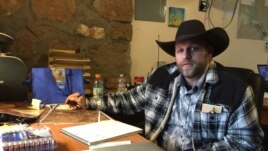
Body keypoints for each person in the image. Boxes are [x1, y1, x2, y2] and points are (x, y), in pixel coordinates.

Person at [65, 19, 264, 150]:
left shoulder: (235, 89)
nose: (185, 57)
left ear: (209, 52)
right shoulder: (162, 77)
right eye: (180, 50)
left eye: (193, 49)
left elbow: (248, 143)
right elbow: (128, 100)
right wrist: (88, 102)